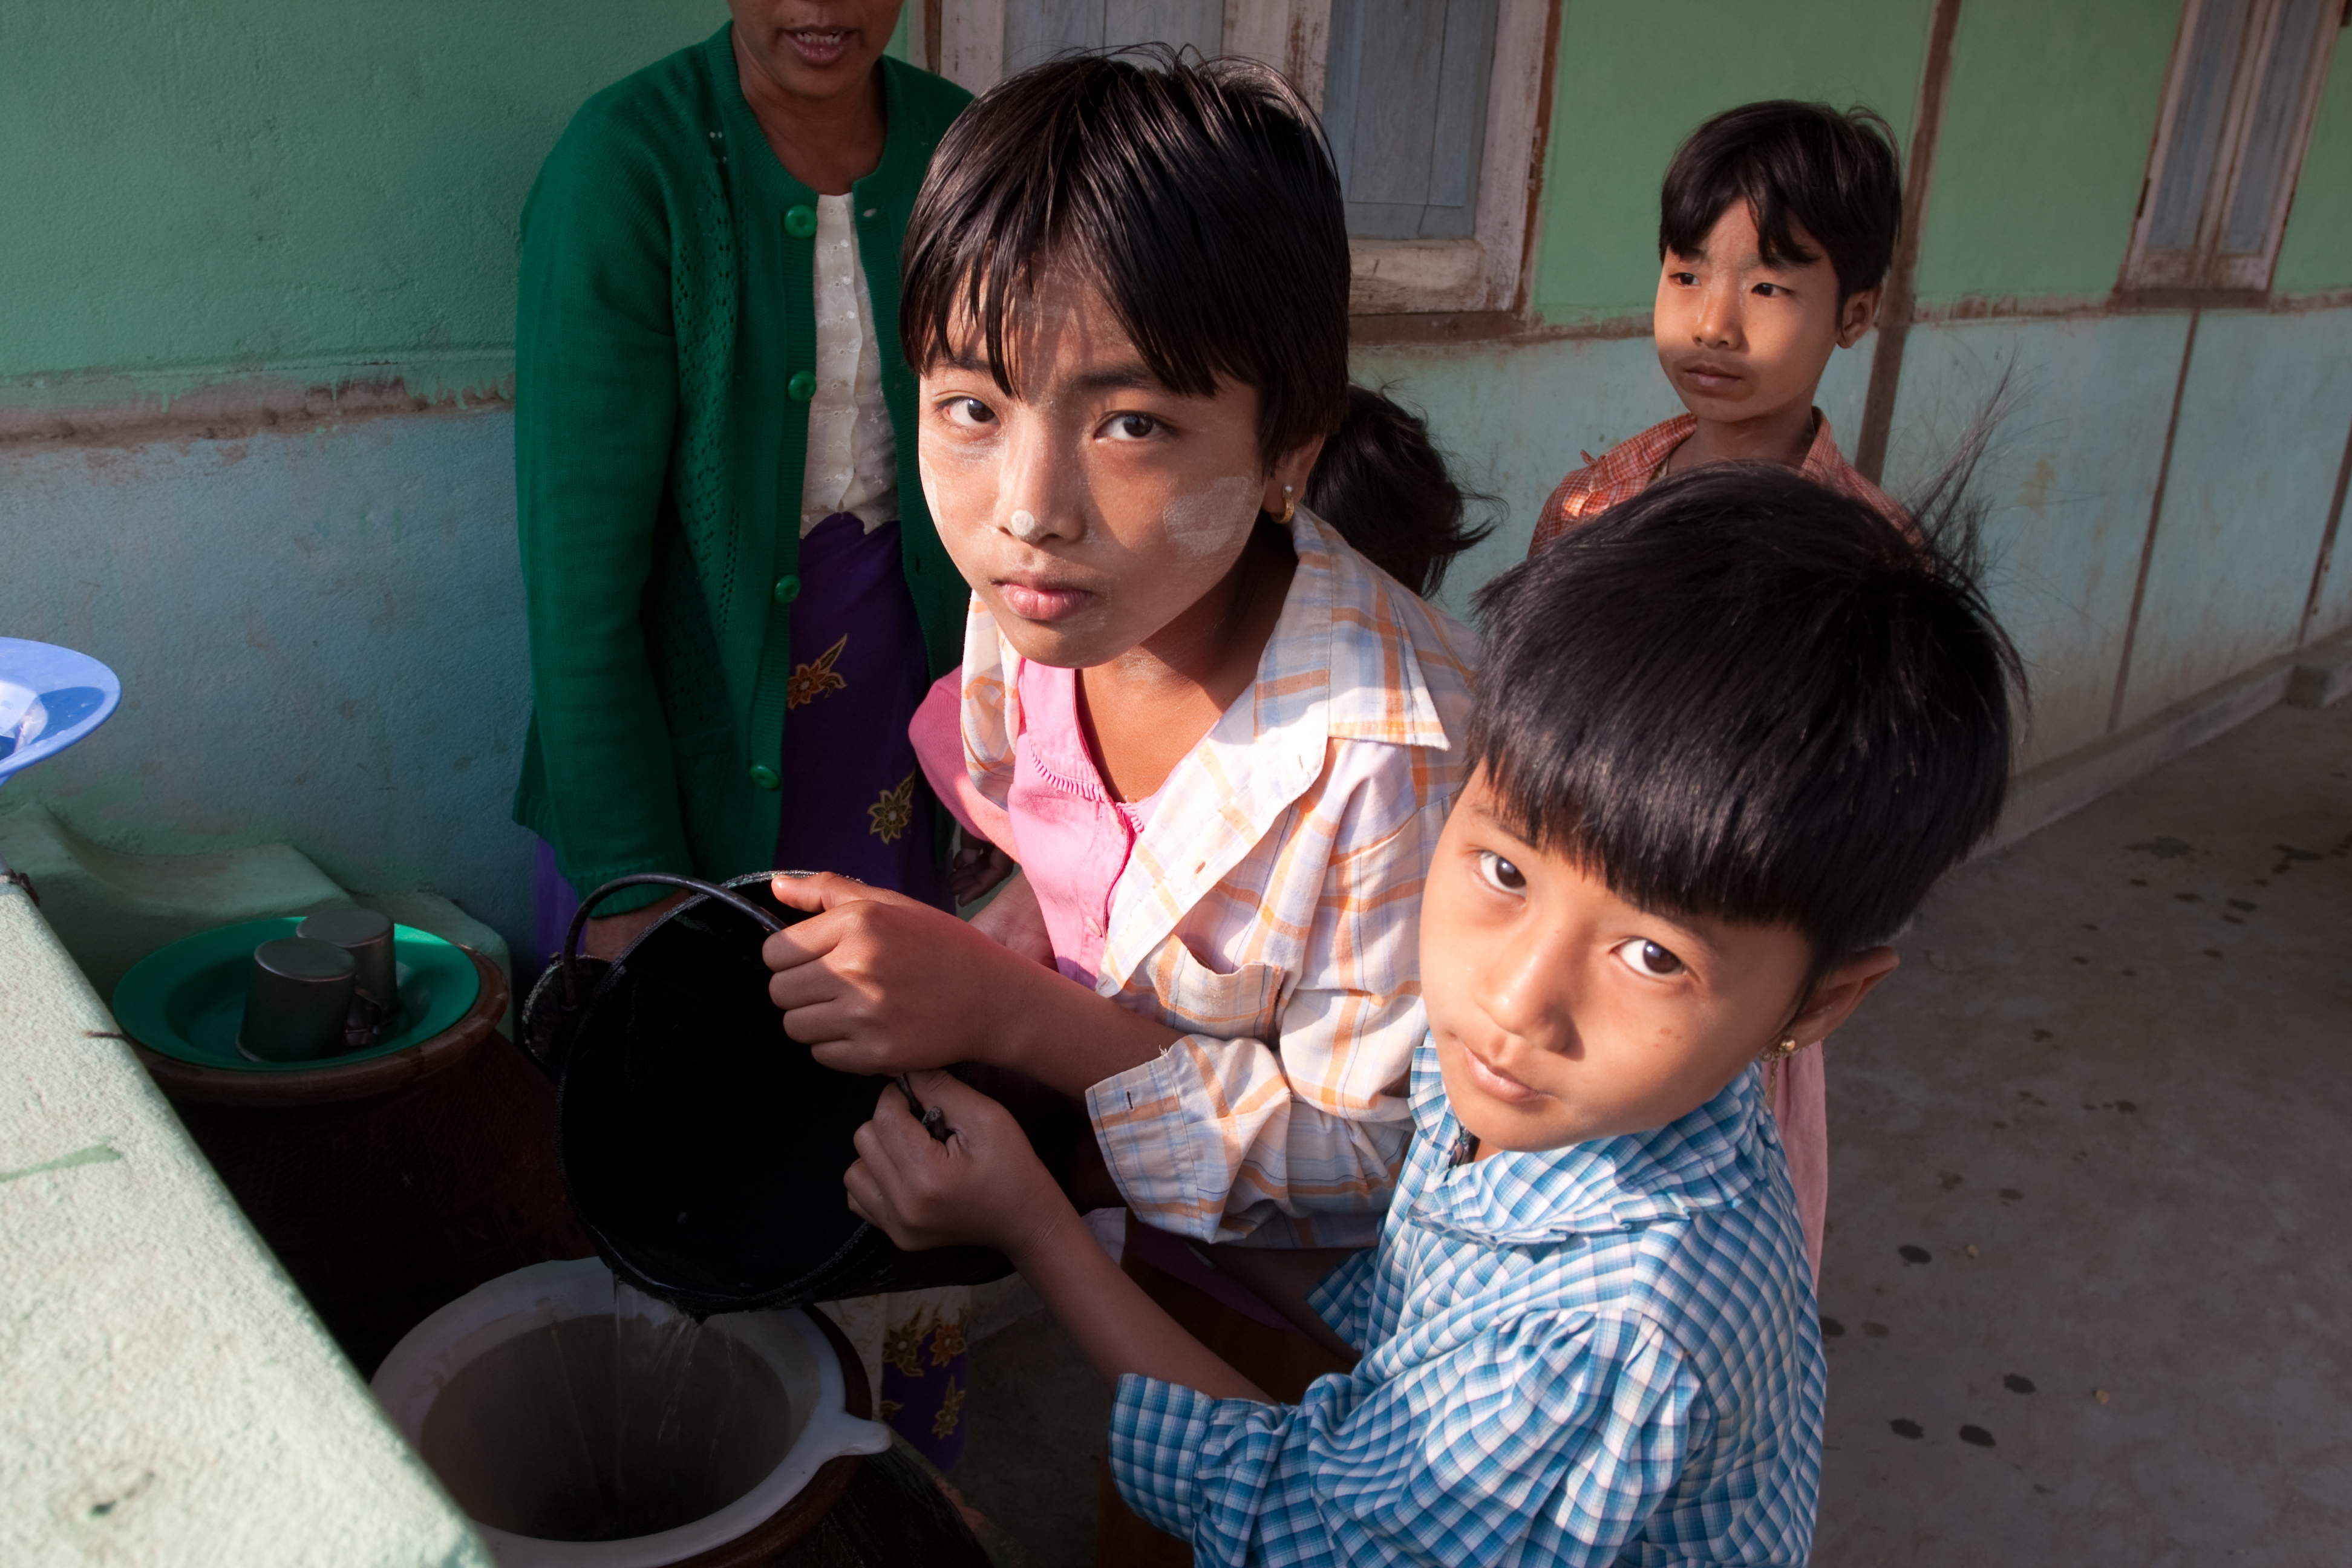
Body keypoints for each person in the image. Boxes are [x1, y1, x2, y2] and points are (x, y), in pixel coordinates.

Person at [840, 463, 2024, 1565]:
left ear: (1819, 1005)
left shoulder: (1616, 1340)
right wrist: (1107, 1181)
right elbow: (1408, 1288)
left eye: (1653, 956)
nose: (1514, 1002)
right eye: (1505, 873)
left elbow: (1303, 1520)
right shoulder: (1591, 1106)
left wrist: (1039, 1228)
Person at [757, 56, 1483, 1529]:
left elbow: (1357, 1172)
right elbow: (1058, 836)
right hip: (1141, 1244)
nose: (1029, 501)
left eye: (1131, 424)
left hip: (1322, 1343)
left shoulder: (1388, 757)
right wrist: (1002, 947)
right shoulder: (1041, 602)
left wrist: (1013, 1016)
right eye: (970, 407)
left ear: (1290, 448)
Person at [509, 1, 977, 1462]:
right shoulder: (629, 165)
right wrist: (638, 889)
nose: (821, 4)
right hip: (676, 764)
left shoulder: (967, 149)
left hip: (902, 756)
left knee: (889, 1148)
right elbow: (580, 575)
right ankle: (695, 1473)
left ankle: (890, 1481)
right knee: (682, 1164)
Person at [1530, 99, 1909, 1277]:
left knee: (1696, 1257)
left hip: (1732, 988)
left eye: (1769, 288)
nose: (1713, 322)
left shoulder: (1873, 564)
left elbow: (1878, 813)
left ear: (1855, 312)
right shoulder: (1590, 511)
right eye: (1687, 272)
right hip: (1566, 934)